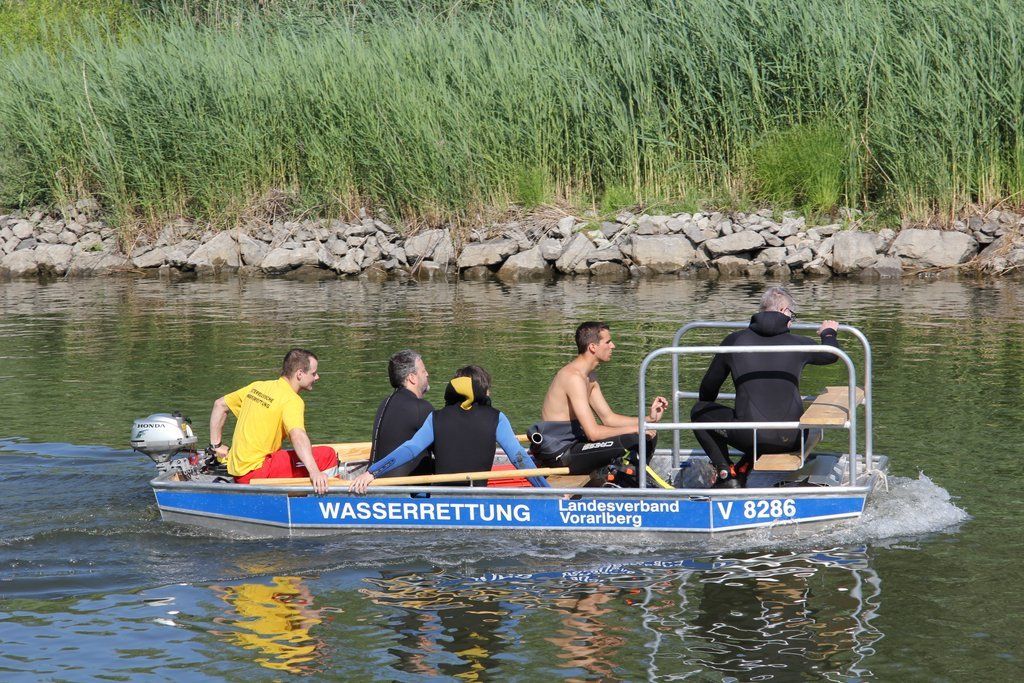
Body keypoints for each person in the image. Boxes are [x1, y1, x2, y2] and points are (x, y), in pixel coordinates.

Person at [691, 286, 840, 488]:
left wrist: (714, 412)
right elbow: (831, 355)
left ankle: (726, 472)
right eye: (792, 315)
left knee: (700, 411)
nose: (791, 320)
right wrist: (828, 332)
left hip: (750, 437)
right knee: (760, 422)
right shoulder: (799, 343)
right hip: (794, 437)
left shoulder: (734, 341)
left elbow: (708, 388)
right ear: (783, 311)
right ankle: (742, 467)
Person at [349, 365, 550, 492]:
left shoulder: (436, 417)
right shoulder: (497, 418)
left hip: (441, 499)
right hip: (477, 498)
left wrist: (372, 472)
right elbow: (519, 458)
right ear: (482, 391)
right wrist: (548, 492)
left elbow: (410, 449)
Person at [527, 321, 668, 478]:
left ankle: (632, 480)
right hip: (559, 454)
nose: (613, 346)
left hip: (578, 444)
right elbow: (593, 433)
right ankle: (631, 481)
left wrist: (648, 419)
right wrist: (635, 429)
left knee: (649, 434)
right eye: (608, 342)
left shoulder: (589, 376)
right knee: (634, 437)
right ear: (593, 347)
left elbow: (609, 418)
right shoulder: (573, 378)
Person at [209, 348, 338, 494]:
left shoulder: (257, 387)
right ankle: (332, 497)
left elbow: (220, 404)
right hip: (255, 473)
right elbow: (297, 435)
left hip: (237, 468)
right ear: (300, 374)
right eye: (313, 373)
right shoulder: (292, 400)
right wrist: (314, 471)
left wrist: (216, 446)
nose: (317, 377)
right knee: (328, 455)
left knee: (292, 455)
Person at [369, 349, 434, 478]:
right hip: (405, 488)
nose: (427, 374)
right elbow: (443, 449)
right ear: (412, 378)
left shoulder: (385, 403)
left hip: (376, 482)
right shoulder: (420, 407)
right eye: (423, 371)